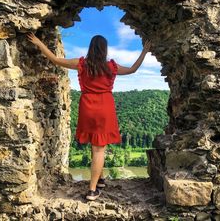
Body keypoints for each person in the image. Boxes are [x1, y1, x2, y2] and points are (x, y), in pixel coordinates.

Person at [26, 32, 152, 201]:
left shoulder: (81, 64)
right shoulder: (111, 67)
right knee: (99, 148)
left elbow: (55, 60)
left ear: (91, 48)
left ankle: (99, 180)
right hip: (105, 107)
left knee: (95, 145)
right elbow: (133, 69)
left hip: (87, 107)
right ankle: (92, 190)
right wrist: (144, 51)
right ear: (104, 50)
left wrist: (39, 43)